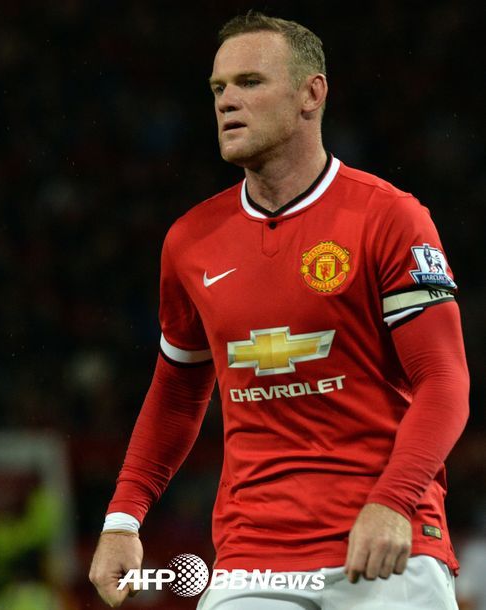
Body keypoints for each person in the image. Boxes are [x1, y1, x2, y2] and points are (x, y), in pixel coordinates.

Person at [89, 12, 469, 609]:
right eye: (218, 88)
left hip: (386, 543)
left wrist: (394, 500)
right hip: (253, 557)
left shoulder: (388, 217)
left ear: (311, 94)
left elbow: (444, 381)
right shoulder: (191, 242)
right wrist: (122, 519)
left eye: (250, 82)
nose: (226, 101)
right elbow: (177, 394)